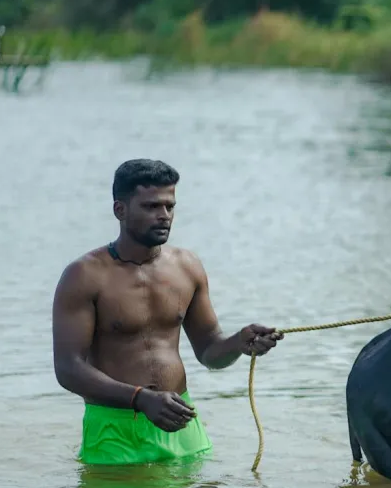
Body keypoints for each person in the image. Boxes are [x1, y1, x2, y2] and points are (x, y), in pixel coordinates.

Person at [52, 159, 283, 465]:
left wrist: (239, 343)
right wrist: (140, 398)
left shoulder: (187, 266)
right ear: (120, 210)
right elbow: (68, 368)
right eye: (151, 207)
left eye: (169, 206)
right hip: (115, 432)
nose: (164, 215)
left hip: (184, 427)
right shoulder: (84, 275)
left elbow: (210, 352)